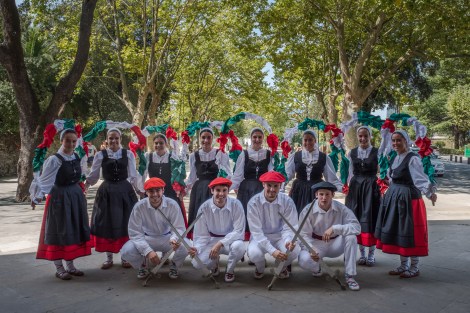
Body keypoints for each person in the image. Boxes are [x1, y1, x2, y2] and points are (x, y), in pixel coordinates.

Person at [375, 130, 437, 278]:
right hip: (394, 197)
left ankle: (414, 267)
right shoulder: (394, 158)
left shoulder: (412, 158)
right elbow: (392, 178)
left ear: (406, 141)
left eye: (399, 140)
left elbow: (420, 179)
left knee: (410, 231)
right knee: (399, 231)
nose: (395, 143)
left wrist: (430, 193)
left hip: (409, 199)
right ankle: (403, 265)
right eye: (394, 140)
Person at [31, 129, 91, 280]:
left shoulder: (77, 156)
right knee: (60, 231)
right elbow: (44, 181)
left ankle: (70, 266)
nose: (71, 144)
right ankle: (59, 268)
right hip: (59, 198)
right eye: (67, 141)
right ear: (61, 141)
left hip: (75, 197)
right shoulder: (54, 159)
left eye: (73, 141)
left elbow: (80, 176)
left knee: (71, 231)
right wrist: (37, 197)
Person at [86, 128, 142, 269]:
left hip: (124, 191)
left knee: (125, 223)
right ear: (107, 140)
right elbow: (93, 175)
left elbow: (133, 174)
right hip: (107, 192)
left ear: (120, 139)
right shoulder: (100, 155)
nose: (114, 141)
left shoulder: (128, 154)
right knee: (107, 223)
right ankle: (109, 258)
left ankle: (124, 257)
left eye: (116, 138)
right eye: (111, 138)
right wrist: (85, 186)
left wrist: (139, 190)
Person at [298, 181, 361, 291]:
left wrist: (335, 228)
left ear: (333, 195)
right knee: (303, 260)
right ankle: (317, 268)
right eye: (321, 194)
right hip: (316, 244)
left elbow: (356, 227)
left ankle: (350, 275)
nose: (324, 198)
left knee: (351, 237)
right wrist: (310, 248)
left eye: (327, 194)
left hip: (336, 244)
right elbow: (303, 234)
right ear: (316, 195)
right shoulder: (308, 210)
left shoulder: (341, 208)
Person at [120, 178, 188, 279]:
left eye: (158, 190)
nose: (155, 194)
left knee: (186, 246)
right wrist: (148, 251)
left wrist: (174, 239)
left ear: (163, 190)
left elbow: (179, 228)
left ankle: (174, 264)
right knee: (126, 251)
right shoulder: (139, 207)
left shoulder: (172, 204)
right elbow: (135, 232)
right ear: (146, 192)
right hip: (147, 238)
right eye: (151, 191)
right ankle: (142, 265)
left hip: (168, 239)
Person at [188, 177, 245, 282]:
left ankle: (230, 270)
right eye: (218, 190)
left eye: (224, 190)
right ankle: (214, 264)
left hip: (231, 241)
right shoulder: (204, 208)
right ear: (212, 191)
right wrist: (197, 248)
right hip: (211, 240)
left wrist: (220, 243)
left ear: (228, 191)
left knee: (239, 247)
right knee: (197, 264)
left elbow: (238, 231)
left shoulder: (236, 205)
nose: (221, 194)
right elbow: (201, 234)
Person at [247, 171, 300, 279]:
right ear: (263, 184)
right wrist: (273, 251)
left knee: (294, 251)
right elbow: (256, 231)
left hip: (281, 236)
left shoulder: (287, 201)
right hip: (260, 237)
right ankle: (260, 268)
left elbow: (290, 226)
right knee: (254, 254)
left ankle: (280, 267)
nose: (272, 189)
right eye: (269, 185)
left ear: (280, 186)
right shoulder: (253, 203)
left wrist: (288, 240)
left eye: (275, 186)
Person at [345, 126, 380, 266]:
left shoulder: (377, 152)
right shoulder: (352, 153)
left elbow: (383, 170)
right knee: (356, 218)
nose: (363, 139)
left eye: (366, 136)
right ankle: (362, 254)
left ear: (370, 136)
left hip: (371, 188)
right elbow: (350, 172)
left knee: (370, 218)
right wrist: (348, 187)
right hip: (356, 189)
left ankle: (371, 254)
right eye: (360, 136)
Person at [186, 127, 231, 237]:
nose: (206, 140)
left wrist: (226, 189)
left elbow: (228, 173)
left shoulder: (220, 153)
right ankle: (200, 239)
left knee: (215, 214)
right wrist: (184, 189)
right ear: (199, 138)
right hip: (199, 190)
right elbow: (192, 175)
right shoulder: (194, 156)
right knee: (200, 215)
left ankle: (216, 237)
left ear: (213, 139)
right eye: (203, 137)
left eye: (209, 137)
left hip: (216, 190)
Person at [286, 130, 343, 214]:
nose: (307, 142)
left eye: (310, 140)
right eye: (305, 140)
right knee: (298, 215)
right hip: (298, 191)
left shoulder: (324, 157)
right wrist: (280, 185)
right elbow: (288, 174)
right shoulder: (295, 156)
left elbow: (331, 177)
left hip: (317, 191)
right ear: (302, 141)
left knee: (315, 216)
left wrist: (341, 188)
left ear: (315, 141)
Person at [231, 127, 273, 240]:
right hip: (246, 189)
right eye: (255, 137)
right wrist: (231, 187)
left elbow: (271, 174)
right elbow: (238, 174)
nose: (257, 139)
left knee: (261, 214)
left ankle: (260, 240)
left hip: (262, 189)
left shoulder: (269, 154)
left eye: (260, 137)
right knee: (245, 213)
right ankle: (244, 240)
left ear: (263, 139)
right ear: (251, 138)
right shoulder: (244, 154)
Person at [141, 133, 187, 226]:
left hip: (169, 190)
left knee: (171, 217)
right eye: (156, 143)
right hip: (153, 191)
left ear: (166, 144)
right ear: (153, 144)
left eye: (161, 143)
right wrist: (141, 189)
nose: (158, 145)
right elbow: (143, 173)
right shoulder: (148, 156)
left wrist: (180, 190)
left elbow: (177, 174)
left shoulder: (172, 157)